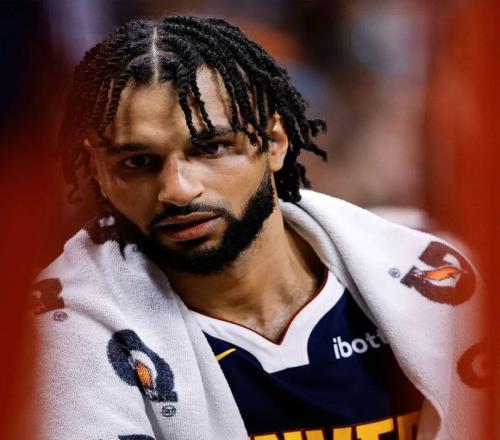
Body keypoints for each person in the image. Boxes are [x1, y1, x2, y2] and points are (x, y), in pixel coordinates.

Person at [33, 15, 483, 440]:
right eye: (137, 162)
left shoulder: (439, 276)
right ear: (98, 171)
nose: (178, 190)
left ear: (275, 143)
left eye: (211, 148)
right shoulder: (59, 334)